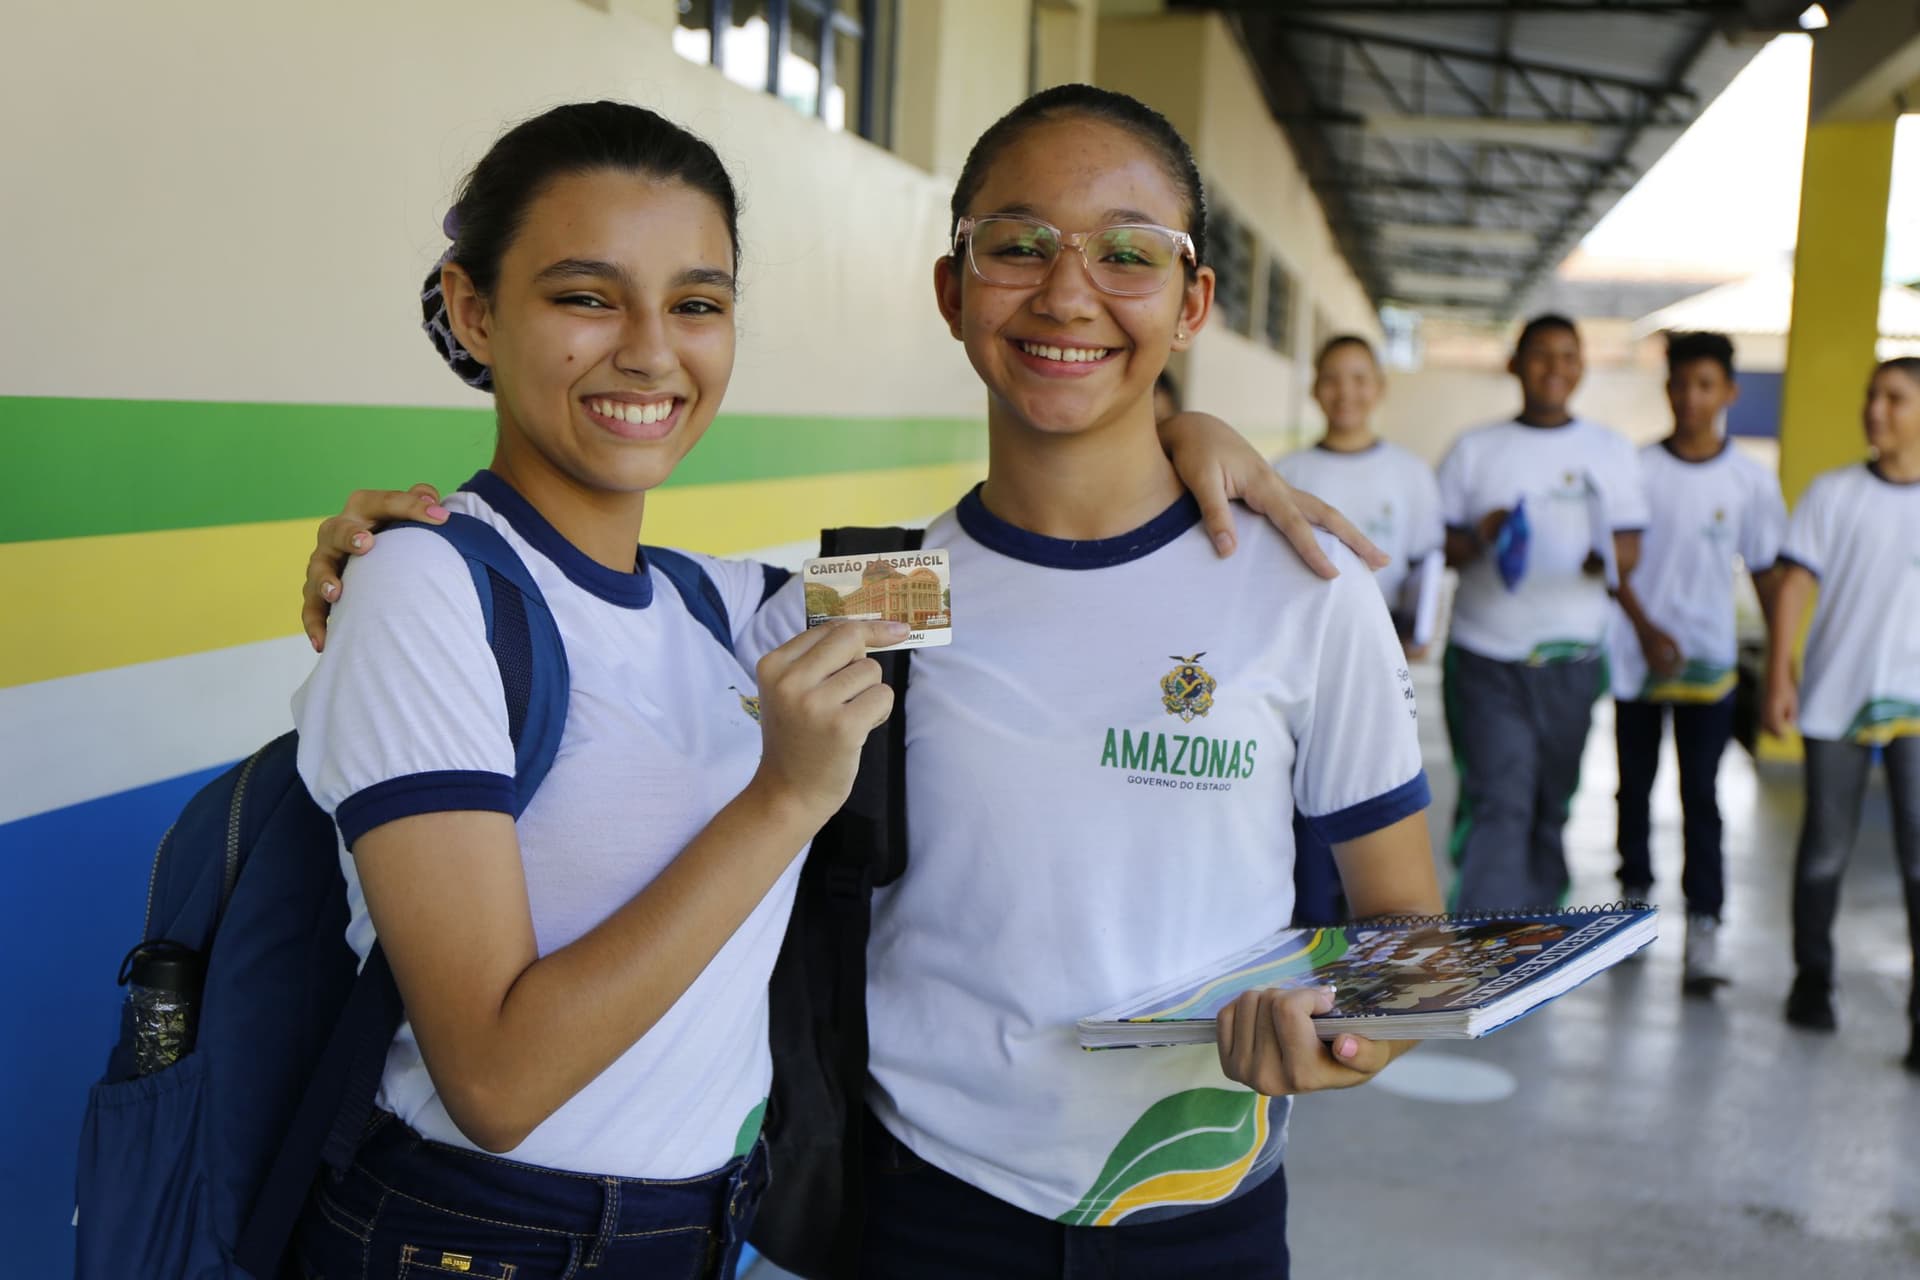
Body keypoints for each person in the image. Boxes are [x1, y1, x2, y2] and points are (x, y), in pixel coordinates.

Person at [302, 85, 1443, 1278]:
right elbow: (494, 1072)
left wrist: (1353, 1034)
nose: (1066, 292)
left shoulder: (1295, 594)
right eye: (1017, 247)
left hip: (1180, 1208)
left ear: (1191, 299)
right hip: (883, 1216)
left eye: (1127, 256)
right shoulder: (888, 596)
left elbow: (1408, 939)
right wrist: (400, 561)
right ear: (952, 292)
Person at [285, 101, 910, 1279]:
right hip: (485, 1237)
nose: (649, 349)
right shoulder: (427, 588)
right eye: (586, 295)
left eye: (697, 303)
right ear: (473, 309)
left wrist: (1190, 448)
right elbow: (496, 1081)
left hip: (697, 1223)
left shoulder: (719, 604)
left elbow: (1008, 568)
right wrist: (783, 797)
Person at [1437, 314, 1648, 911]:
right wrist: (1482, 535)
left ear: (1581, 366)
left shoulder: (1609, 451)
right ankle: (1484, 946)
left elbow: (1629, 549)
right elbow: (1441, 547)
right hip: (1487, 658)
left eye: (1567, 355)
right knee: (1500, 798)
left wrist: (1602, 557)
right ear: (1515, 364)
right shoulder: (1475, 450)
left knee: (1550, 803)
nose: (1554, 368)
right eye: (1540, 355)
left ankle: (1536, 929)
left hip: (1573, 660)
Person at [1607, 331, 1784, 992]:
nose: (1691, 397)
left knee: (1701, 797)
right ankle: (1630, 912)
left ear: (1729, 393)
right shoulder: (1638, 469)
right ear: (1668, 389)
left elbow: (1769, 576)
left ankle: (1704, 930)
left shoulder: (1749, 481)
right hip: (1638, 664)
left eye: (1706, 385)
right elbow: (1613, 565)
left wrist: (1784, 664)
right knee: (1634, 788)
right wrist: (1646, 629)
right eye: (1681, 384)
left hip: (1709, 668)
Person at [1764, 356, 1920, 1073]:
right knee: (1826, 848)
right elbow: (1795, 585)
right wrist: (1778, 674)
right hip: (1836, 700)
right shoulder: (1834, 493)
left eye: (1894, 399)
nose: (1875, 410)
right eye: (1872, 396)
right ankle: (1812, 981)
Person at [1274, 334, 1444, 925]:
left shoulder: (1410, 474)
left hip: (1382, 665)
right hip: (1305, 668)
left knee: (1378, 796)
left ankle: (1367, 932)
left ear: (1379, 388)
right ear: (1316, 387)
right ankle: (1314, 929)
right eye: (1333, 377)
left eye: (1359, 378)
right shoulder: (1289, 472)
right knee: (1311, 806)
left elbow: (1427, 562)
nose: (1346, 391)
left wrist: (1418, 630)